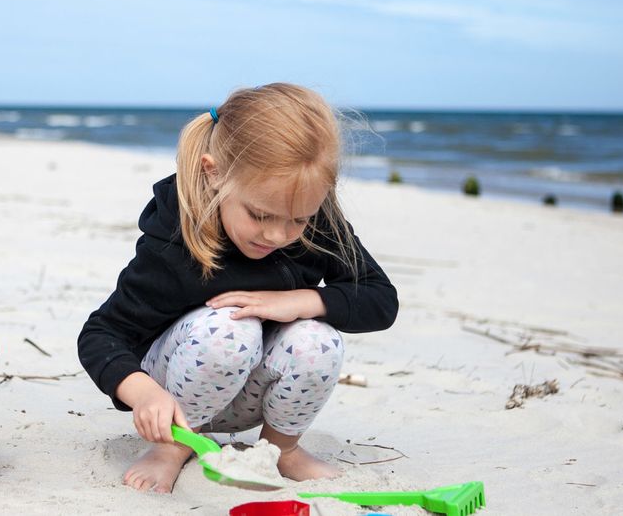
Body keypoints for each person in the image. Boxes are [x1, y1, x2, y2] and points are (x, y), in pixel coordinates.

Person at [78, 83, 399, 493]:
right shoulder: (176, 239)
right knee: (230, 329)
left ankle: (280, 450)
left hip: (255, 394)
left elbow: (379, 298)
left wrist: (301, 301)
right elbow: (101, 335)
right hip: (177, 393)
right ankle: (173, 449)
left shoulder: (315, 223)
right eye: (260, 214)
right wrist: (142, 394)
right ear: (214, 174)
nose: (279, 234)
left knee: (317, 338)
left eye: (298, 219)